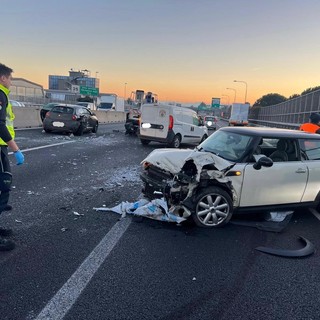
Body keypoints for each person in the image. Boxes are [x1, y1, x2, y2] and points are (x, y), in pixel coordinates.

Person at [0, 63, 24, 251]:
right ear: (3, 78)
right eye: (10, 78)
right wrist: (15, 149)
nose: (10, 82)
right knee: (3, 186)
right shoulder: (0, 95)